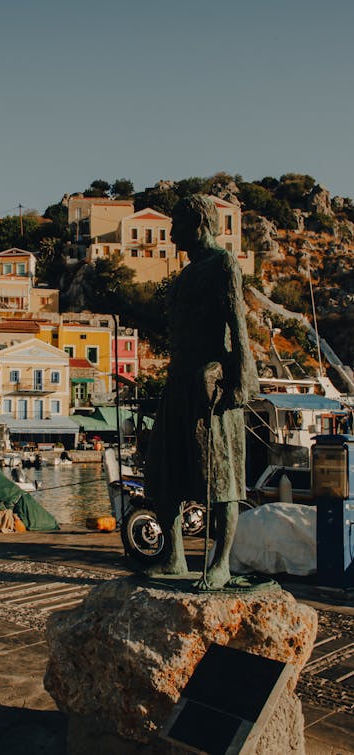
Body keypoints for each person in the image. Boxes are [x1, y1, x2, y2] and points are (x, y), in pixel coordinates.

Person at [144, 195, 258, 589]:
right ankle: (174, 556)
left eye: (176, 223)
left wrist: (240, 379)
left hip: (208, 385)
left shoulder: (221, 264)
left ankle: (221, 563)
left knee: (220, 478)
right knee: (162, 473)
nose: (171, 231)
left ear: (197, 223)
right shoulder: (185, 276)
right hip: (178, 382)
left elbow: (237, 324)